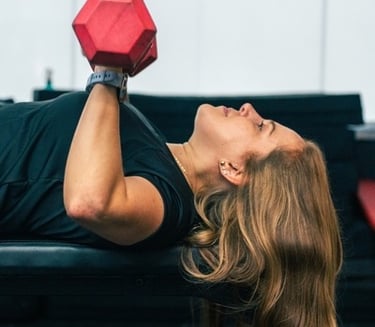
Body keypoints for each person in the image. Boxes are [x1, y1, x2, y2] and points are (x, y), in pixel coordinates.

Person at [0, 65, 343, 327]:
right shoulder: (164, 161)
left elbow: (91, 202)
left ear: (235, 169)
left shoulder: (170, 201)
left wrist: (108, 76)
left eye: (259, 126)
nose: (249, 109)